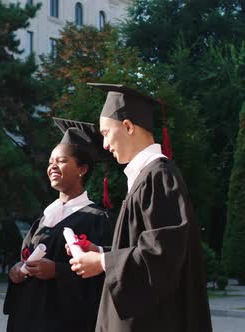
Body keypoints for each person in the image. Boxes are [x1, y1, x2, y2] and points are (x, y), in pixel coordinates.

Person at [69, 83, 212, 332]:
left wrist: (103, 261)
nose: (104, 145)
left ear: (127, 126)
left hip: (154, 320)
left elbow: (162, 253)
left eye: (106, 133)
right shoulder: (146, 177)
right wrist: (101, 251)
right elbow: (143, 244)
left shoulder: (159, 175)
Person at [3, 118, 112, 332]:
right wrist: (16, 271)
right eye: (50, 161)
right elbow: (24, 259)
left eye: (61, 161)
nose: (52, 166)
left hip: (66, 322)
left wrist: (59, 271)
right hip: (26, 319)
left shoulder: (100, 220)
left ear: (82, 169)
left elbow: (105, 278)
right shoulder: (43, 220)